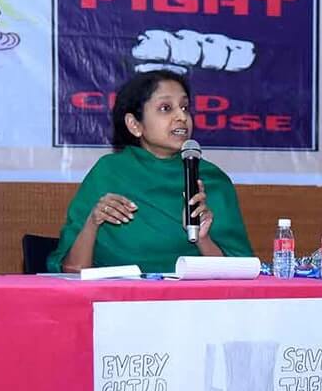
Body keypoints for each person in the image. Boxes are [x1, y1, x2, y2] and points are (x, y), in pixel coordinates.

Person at [48, 70, 254, 273]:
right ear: (134, 125)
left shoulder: (212, 180)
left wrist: (202, 238)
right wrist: (93, 222)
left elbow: (237, 275)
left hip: (190, 295)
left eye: (185, 107)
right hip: (115, 294)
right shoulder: (108, 172)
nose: (181, 116)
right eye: (166, 108)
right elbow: (72, 270)